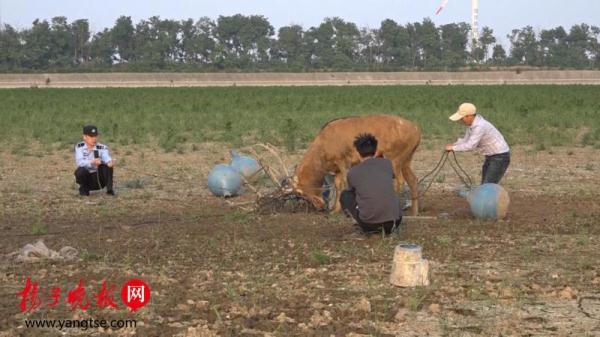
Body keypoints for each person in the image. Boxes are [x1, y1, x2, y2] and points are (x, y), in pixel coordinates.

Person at [340, 133, 402, 234]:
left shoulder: (353, 172)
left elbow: (352, 192)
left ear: (358, 153)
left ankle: (358, 223)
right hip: (395, 222)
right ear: (376, 151)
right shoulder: (387, 164)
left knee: (345, 195)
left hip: (370, 225)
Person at [445, 102, 510, 184]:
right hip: (492, 156)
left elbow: (470, 145)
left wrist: (453, 148)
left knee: (488, 185)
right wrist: (454, 145)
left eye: (462, 118)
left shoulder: (479, 126)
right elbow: (466, 140)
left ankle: (490, 196)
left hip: (500, 157)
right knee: (485, 184)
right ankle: (487, 195)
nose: (460, 121)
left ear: (469, 116)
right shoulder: (472, 125)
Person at [74, 125, 115, 196]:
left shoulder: (102, 147)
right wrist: (92, 162)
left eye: (95, 136)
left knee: (107, 167)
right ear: (85, 137)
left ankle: (109, 190)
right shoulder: (79, 147)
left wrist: (109, 161)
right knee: (80, 171)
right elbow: (79, 162)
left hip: (99, 178)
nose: (94, 139)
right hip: (87, 177)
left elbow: (106, 156)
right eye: (91, 136)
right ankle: (84, 189)